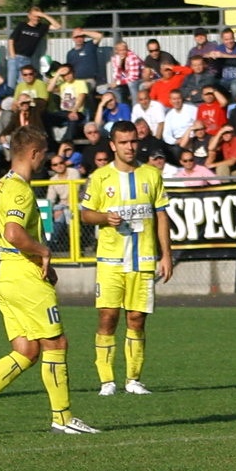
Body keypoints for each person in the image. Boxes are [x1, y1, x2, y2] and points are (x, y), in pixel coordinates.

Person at [0, 125, 99, 436]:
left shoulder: (4, 184)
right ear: (33, 153)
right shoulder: (19, 189)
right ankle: (62, 418)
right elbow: (14, 233)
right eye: (44, 153)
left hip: (5, 273)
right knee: (56, 342)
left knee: (27, 350)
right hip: (24, 276)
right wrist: (44, 252)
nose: (45, 159)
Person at [80, 120, 173, 396]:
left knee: (137, 319)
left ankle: (133, 380)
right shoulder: (99, 178)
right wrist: (104, 218)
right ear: (112, 145)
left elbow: (161, 215)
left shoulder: (151, 175)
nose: (130, 147)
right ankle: (107, 381)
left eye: (133, 141)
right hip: (110, 260)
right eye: (123, 142)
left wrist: (166, 254)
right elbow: (86, 214)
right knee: (108, 318)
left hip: (143, 259)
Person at [7, 7, 61, 89]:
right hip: (15, 57)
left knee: (24, 85)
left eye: (39, 16)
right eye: (35, 16)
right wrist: (12, 55)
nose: (37, 18)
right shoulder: (22, 25)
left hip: (27, 59)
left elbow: (57, 26)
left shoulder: (42, 27)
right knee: (11, 84)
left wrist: (44, 15)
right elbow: (11, 40)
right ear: (29, 16)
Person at [110, 41, 143, 106]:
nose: (123, 52)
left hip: (141, 78)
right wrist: (120, 64)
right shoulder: (115, 58)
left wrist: (118, 82)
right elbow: (116, 77)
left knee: (131, 84)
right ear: (116, 51)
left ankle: (135, 108)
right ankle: (122, 109)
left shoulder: (132, 57)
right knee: (114, 88)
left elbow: (133, 77)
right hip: (128, 79)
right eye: (120, 50)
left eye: (124, 50)